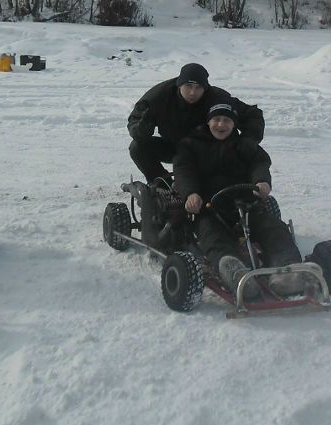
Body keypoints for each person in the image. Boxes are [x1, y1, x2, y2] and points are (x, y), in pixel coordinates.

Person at [172, 102, 304, 299]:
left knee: (273, 227)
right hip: (209, 206)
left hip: (245, 203)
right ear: (208, 122)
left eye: (227, 120)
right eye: (216, 119)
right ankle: (233, 270)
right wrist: (191, 193)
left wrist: (261, 181)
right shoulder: (190, 145)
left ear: (234, 125)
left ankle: (287, 269)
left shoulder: (243, 145)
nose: (221, 124)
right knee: (212, 234)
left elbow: (259, 163)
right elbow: (184, 171)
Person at [127, 62, 263, 185]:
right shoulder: (158, 97)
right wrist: (143, 129)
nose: (193, 92)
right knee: (137, 147)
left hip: (207, 149)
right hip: (174, 146)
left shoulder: (217, 97)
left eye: (198, 87)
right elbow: (134, 123)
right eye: (188, 86)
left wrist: (249, 139)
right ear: (179, 85)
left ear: (205, 88)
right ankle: (164, 186)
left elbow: (253, 114)